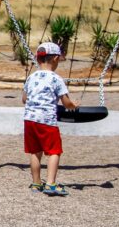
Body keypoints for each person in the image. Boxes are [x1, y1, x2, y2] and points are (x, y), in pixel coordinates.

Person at [21, 42, 79, 197]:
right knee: (54, 151)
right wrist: (74, 105)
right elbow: (66, 102)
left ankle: (36, 182)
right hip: (47, 120)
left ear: (39, 59)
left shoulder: (31, 77)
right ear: (55, 58)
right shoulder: (56, 78)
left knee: (35, 152)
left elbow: (24, 99)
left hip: (30, 119)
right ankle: (51, 184)